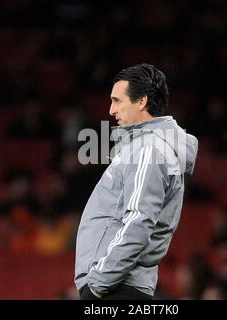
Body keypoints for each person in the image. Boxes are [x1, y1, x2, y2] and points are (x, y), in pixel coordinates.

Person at [74, 63, 198, 300]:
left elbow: (138, 221)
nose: (111, 110)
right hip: (119, 285)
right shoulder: (145, 148)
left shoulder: (148, 149)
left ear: (141, 102)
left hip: (118, 287)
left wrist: (98, 283)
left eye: (117, 101)